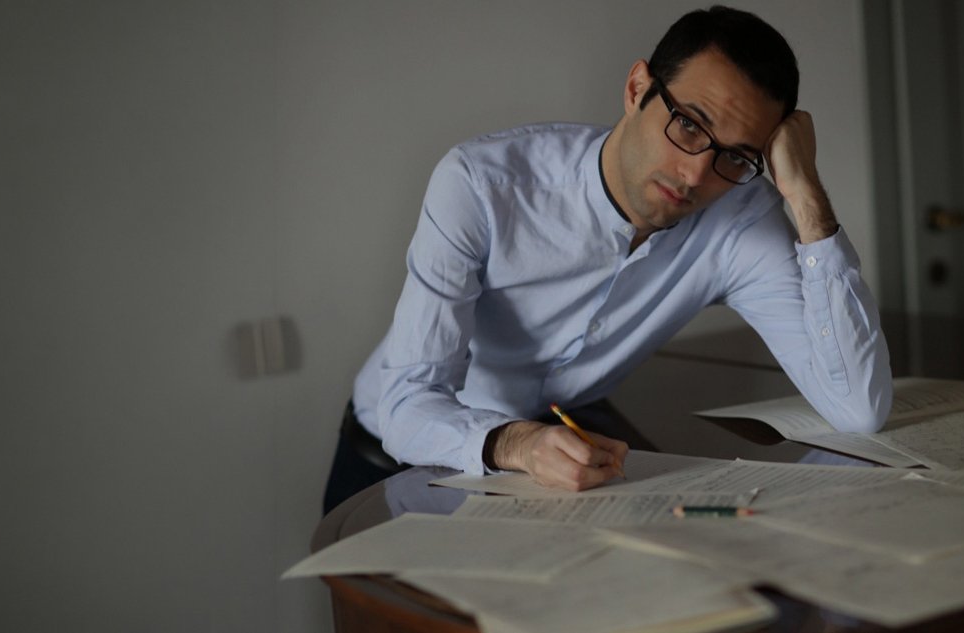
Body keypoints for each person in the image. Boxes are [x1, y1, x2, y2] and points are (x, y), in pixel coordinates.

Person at [324, 6, 893, 513]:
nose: (696, 173)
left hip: (550, 461)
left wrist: (805, 194)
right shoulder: (482, 186)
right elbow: (408, 405)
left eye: (736, 157)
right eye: (688, 124)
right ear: (637, 87)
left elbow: (858, 408)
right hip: (394, 462)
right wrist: (518, 442)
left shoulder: (739, 215)